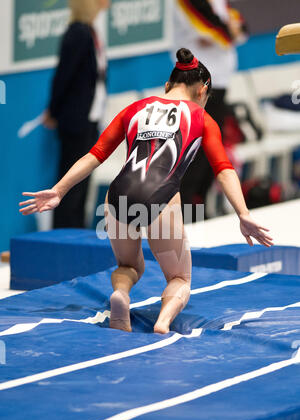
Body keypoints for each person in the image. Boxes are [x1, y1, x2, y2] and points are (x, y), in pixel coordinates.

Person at [20, 48, 273, 335]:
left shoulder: (135, 109)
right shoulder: (201, 118)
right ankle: (163, 321)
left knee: (129, 265)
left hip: (118, 196)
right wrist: (243, 213)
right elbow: (224, 168)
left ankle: (121, 295)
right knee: (179, 277)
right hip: (161, 199)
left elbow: (96, 154)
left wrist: (59, 189)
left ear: (167, 86)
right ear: (202, 91)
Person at [173, 0, 248, 218]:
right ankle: (185, 214)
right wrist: (226, 32)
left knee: (211, 151)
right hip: (195, 84)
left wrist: (227, 32)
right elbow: (215, 30)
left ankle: (199, 209)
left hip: (219, 83)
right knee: (194, 152)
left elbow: (241, 29)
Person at [43, 0, 110, 229]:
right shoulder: (78, 33)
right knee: (69, 182)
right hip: (76, 119)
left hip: (91, 117)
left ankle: (77, 231)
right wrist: (53, 110)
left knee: (83, 181)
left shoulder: (91, 31)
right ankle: (63, 233)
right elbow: (64, 75)